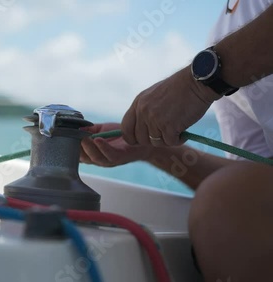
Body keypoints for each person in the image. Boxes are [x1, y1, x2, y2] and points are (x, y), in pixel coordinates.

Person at [80, 1, 273, 281]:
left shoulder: (223, 49)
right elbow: (252, 181)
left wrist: (198, 83)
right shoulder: (226, 27)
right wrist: (156, 150)